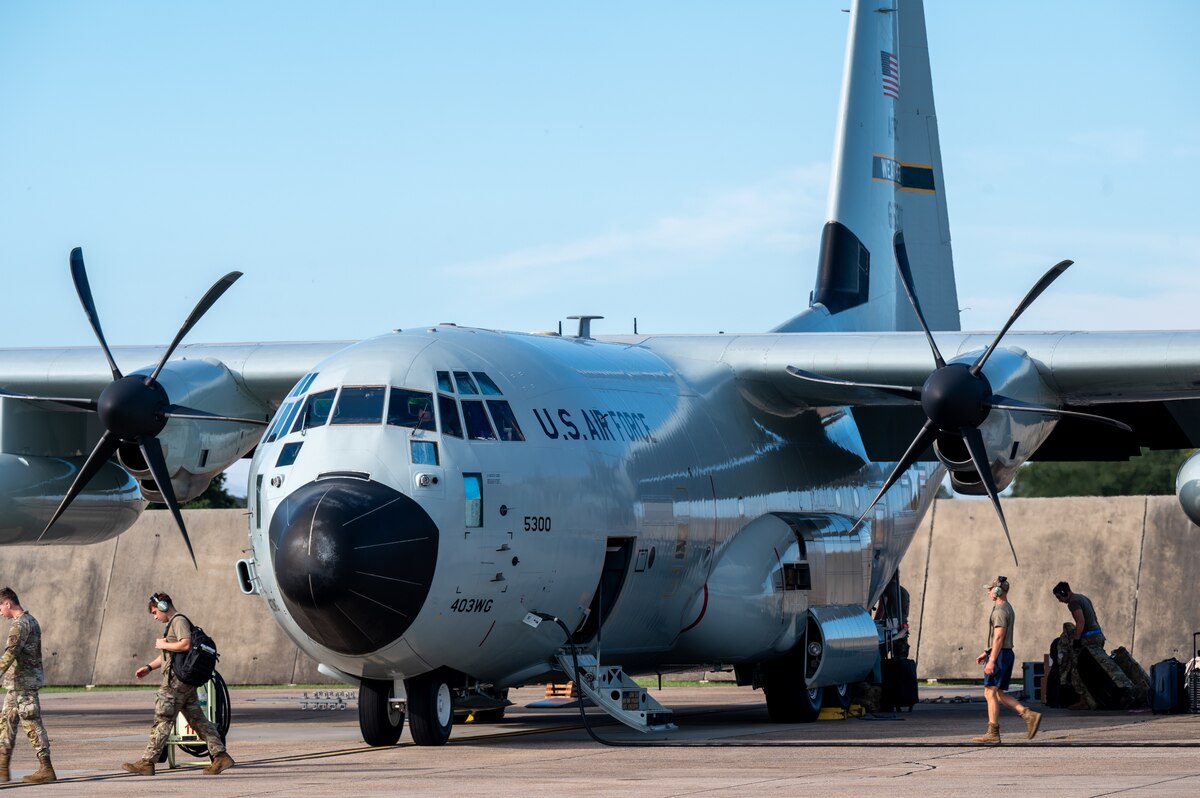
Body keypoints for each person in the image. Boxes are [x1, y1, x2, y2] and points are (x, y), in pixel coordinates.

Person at [122, 592, 234, 776]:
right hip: (184, 684)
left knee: (163, 719)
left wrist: (163, 644)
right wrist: (149, 667)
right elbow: (170, 655)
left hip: (175, 683)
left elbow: (185, 645)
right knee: (198, 720)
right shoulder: (174, 624)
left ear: (164, 606)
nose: (155, 616)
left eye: (155, 612)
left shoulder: (178, 621)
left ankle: (147, 762)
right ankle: (220, 756)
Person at [971, 576, 1041, 744]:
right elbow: (997, 639)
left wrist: (992, 660)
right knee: (999, 693)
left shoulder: (1000, 611)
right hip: (1003, 653)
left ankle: (993, 732)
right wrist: (985, 652)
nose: (988, 592)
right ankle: (1028, 715)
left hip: (1000, 655)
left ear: (997, 591)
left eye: (990, 589)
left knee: (989, 692)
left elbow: (999, 637)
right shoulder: (1006, 608)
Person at [0, 588, 55, 784]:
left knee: (31, 723)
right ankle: (2, 767)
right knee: (6, 722)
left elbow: (10, 653)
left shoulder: (21, 624)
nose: (0, 612)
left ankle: (46, 768)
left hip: (24, 684)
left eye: (0, 607)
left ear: (8, 604)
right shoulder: (30, 620)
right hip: (16, 684)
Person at [1052, 581, 1134, 709]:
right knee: (1100, 668)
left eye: (1059, 597)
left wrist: (1076, 640)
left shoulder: (1073, 602)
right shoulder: (1082, 597)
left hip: (1088, 639)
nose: (1059, 600)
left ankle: (1084, 700)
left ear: (1064, 593)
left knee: (1076, 669)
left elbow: (1080, 622)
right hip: (1097, 636)